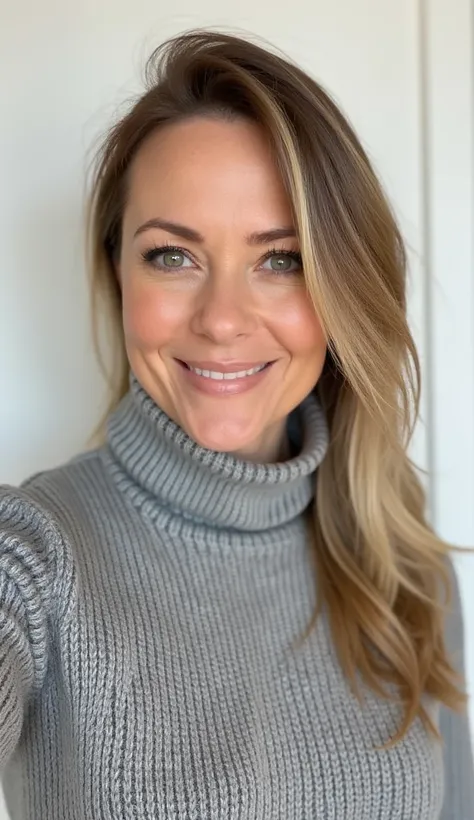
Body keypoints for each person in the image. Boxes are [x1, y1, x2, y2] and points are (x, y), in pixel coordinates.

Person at [0, 29, 472, 820]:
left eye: (280, 259)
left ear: (342, 284)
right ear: (117, 272)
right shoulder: (32, 556)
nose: (222, 321)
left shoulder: (407, 574)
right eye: (172, 257)